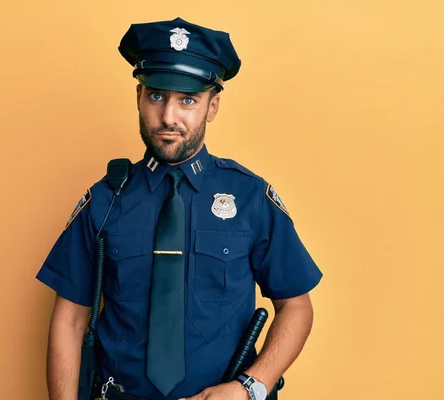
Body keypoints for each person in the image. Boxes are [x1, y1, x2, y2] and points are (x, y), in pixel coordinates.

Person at [35, 17, 323, 400]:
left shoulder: (251, 197)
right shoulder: (105, 199)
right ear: (139, 95)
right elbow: (69, 320)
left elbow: (297, 307)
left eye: (188, 100)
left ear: (212, 106)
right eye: (157, 96)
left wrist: (249, 388)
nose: (169, 116)